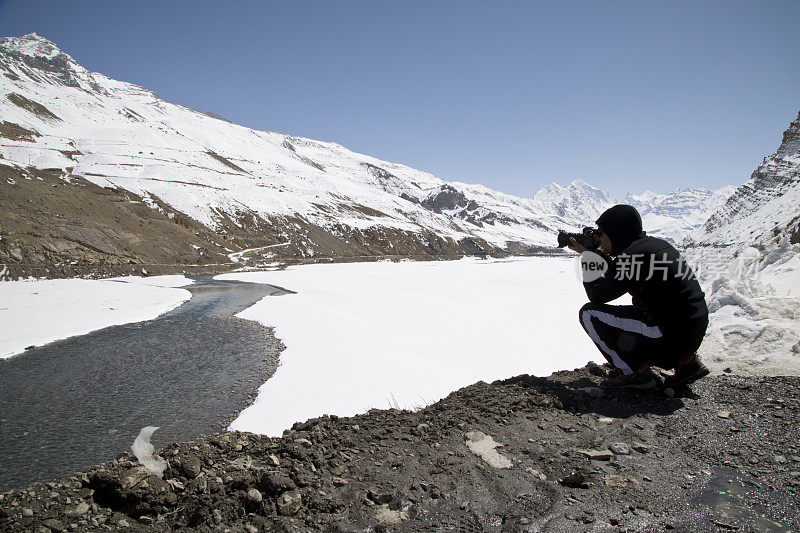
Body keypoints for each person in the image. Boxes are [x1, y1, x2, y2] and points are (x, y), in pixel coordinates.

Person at [568, 204, 709, 390]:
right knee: (640, 315)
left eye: (601, 233)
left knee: (589, 314)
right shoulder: (651, 247)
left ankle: (634, 373)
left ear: (616, 232)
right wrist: (595, 254)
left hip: (671, 335)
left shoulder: (633, 256)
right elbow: (618, 274)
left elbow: (598, 295)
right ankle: (687, 364)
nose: (598, 238)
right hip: (689, 331)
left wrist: (587, 256)